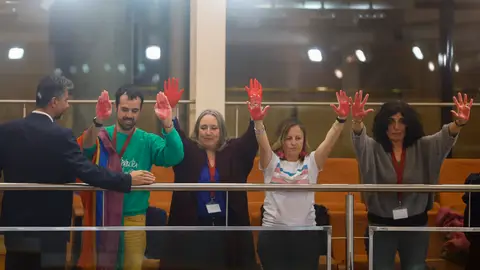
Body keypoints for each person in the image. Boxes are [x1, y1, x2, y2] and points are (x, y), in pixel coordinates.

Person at [0, 75, 156, 270]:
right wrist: (127, 179)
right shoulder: (61, 135)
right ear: (54, 102)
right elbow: (88, 171)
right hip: (51, 227)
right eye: (66, 101)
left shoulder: (6, 131)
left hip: (14, 226)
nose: (67, 106)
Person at [351, 90, 473, 270]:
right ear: (383, 125)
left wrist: (459, 123)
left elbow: (444, 138)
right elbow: (360, 140)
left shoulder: (423, 146)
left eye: (401, 121)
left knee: (416, 267)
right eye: (391, 122)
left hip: (415, 226)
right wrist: (357, 122)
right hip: (381, 227)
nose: (396, 127)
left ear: (409, 125)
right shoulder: (373, 148)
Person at [77, 85, 184, 269]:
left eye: (134, 111)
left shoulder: (147, 140)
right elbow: (85, 150)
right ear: (116, 108)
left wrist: (167, 123)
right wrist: (99, 120)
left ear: (140, 111)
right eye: (125, 109)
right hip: (104, 216)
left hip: (134, 218)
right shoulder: (102, 134)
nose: (129, 115)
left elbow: (175, 156)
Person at [249, 79, 349, 270]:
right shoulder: (272, 163)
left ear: (304, 141)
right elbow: (262, 142)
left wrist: (340, 121)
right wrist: (258, 120)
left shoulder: (311, 163)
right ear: (282, 140)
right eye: (289, 138)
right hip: (273, 235)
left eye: (298, 138)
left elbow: (328, 143)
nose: (293, 142)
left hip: (306, 235)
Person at [160, 78, 259, 270]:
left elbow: (250, 141)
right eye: (203, 128)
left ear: (221, 131)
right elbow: (175, 137)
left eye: (214, 128)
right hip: (192, 230)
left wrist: (255, 115)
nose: (208, 132)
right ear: (197, 131)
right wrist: (170, 113)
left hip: (227, 231)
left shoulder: (234, 150)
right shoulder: (187, 150)